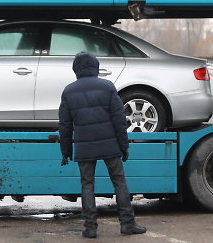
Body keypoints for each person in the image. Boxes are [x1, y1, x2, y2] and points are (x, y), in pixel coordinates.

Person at [58, 52, 147, 238]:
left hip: (84, 147)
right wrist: (124, 146)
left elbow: (65, 125)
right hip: (110, 145)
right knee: (119, 182)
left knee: (87, 185)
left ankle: (90, 228)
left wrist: (65, 151)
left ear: (76, 70)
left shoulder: (68, 91)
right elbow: (119, 119)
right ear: (95, 68)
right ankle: (127, 224)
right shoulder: (107, 87)